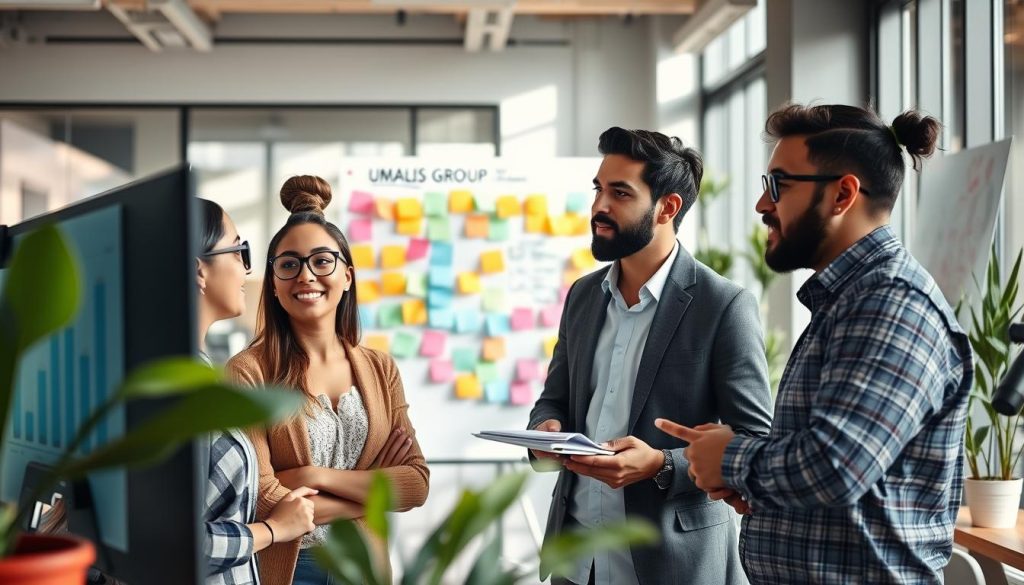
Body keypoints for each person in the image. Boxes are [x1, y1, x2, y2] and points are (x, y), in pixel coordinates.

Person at [657, 104, 973, 584]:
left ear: (843, 194)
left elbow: (836, 465)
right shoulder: (848, 300)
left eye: (778, 186)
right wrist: (752, 484)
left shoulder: (890, 302)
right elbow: (849, 477)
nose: (763, 205)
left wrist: (730, 457)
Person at [528, 127, 774, 585]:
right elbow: (553, 399)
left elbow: (754, 439)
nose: (599, 206)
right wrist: (547, 430)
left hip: (674, 565)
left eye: (620, 193)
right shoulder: (583, 296)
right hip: (577, 564)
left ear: (667, 207)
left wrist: (661, 466)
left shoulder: (723, 305)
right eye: (599, 189)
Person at [226, 177, 429, 585]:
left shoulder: (380, 368)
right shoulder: (249, 371)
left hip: (365, 564)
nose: (306, 275)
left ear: (348, 275)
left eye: (322, 260)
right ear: (276, 286)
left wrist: (311, 477)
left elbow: (415, 484)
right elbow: (262, 496)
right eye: (289, 264)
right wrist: (370, 490)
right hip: (292, 566)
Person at [196, 197, 317, 585]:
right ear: (199, 271)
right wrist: (274, 530)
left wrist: (312, 476)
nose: (247, 268)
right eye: (239, 250)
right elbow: (176, 542)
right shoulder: (188, 392)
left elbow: (413, 484)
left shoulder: (194, 376)